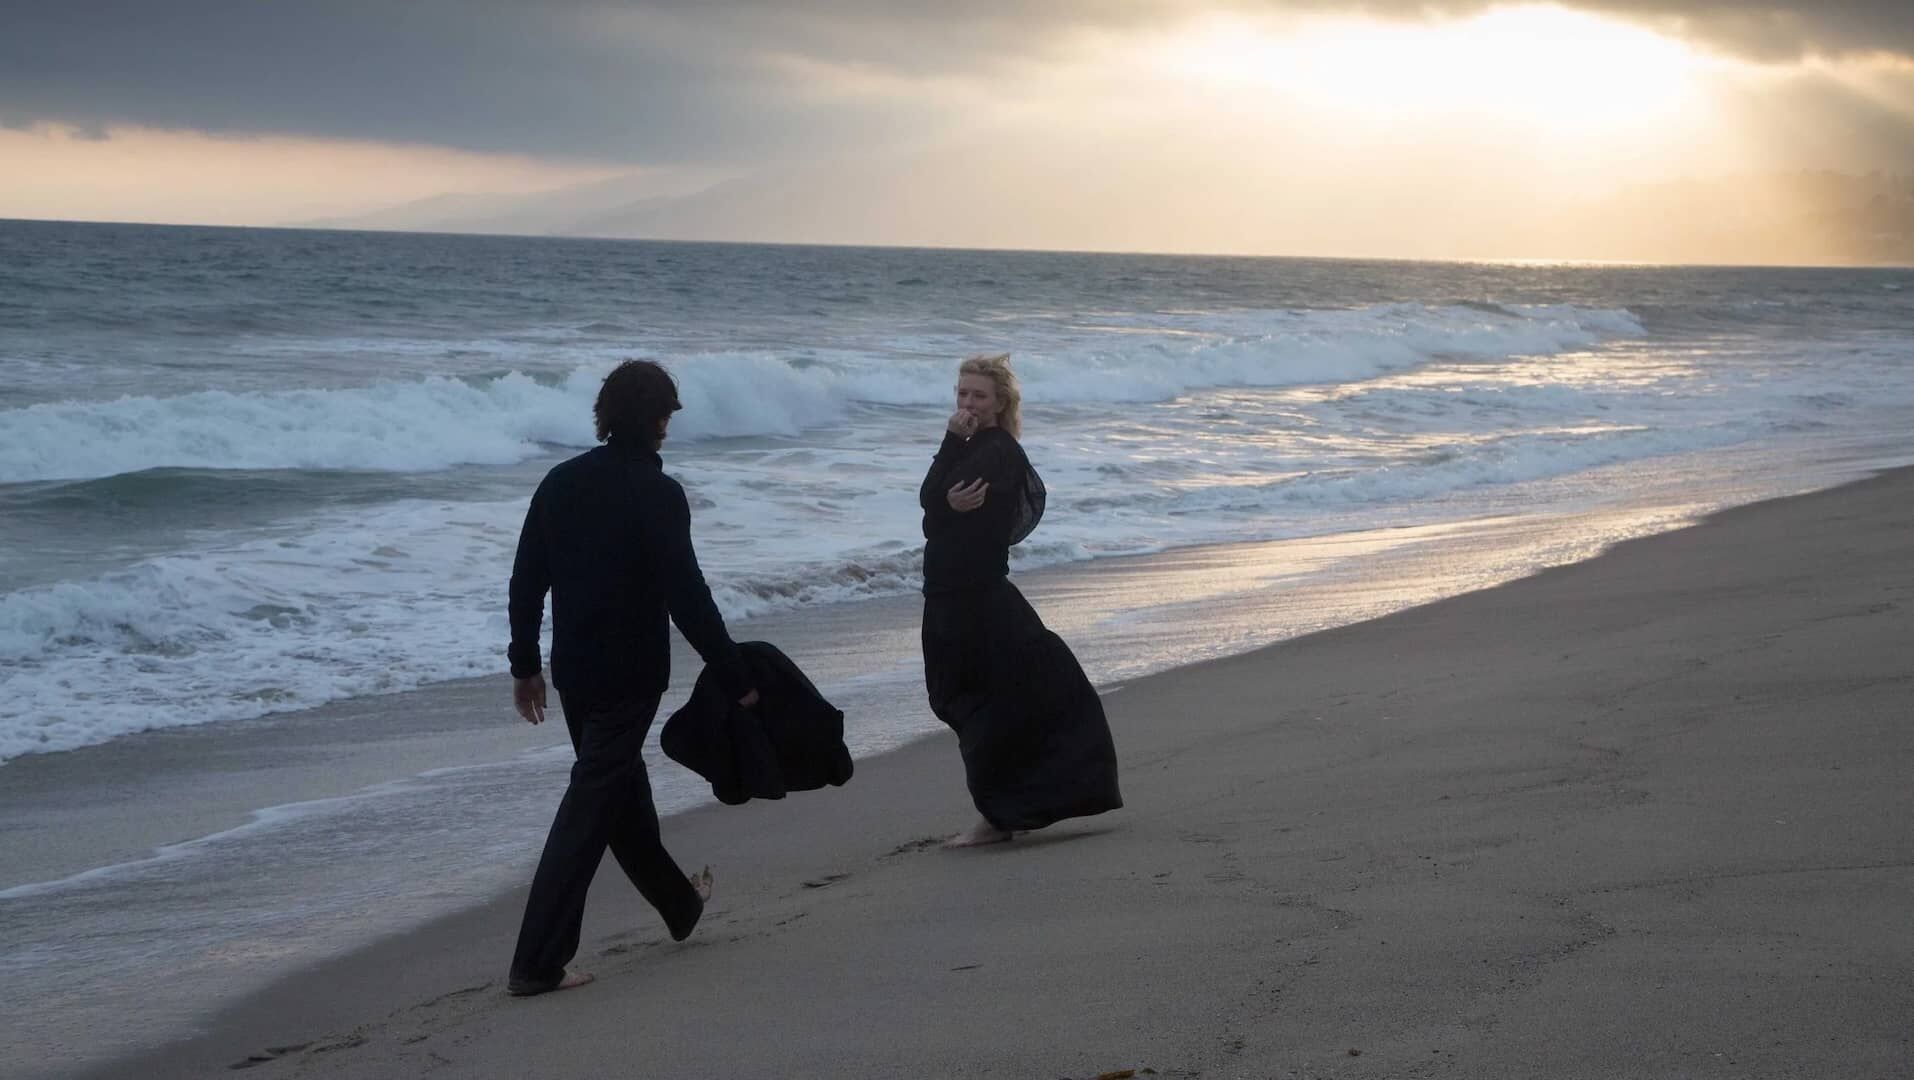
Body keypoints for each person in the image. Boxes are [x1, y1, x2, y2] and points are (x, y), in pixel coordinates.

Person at [504, 359, 758, 997]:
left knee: (617, 796)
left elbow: (526, 580)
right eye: (667, 415)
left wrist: (526, 665)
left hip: (575, 675)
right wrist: (734, 673)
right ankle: (536, 963)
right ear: (658, 420)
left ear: (604, 414)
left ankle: (680, 906)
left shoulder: (560, 482)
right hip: (632, 676)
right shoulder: (656, 493)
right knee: (590, 806)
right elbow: (687, 596)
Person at [919, 353, 1122, 848]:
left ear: (1000, 402)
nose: (967, 403)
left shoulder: (995, 452)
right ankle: (1004, 811)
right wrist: (943, 500)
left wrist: (942, 497)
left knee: (979, 703)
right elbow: (930, 506)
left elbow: (935, 506)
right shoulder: (973, 447)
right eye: (962, 393)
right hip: (953, 595)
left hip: (974, 598)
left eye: (978, 395)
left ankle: (996, 818)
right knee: (969, 699)